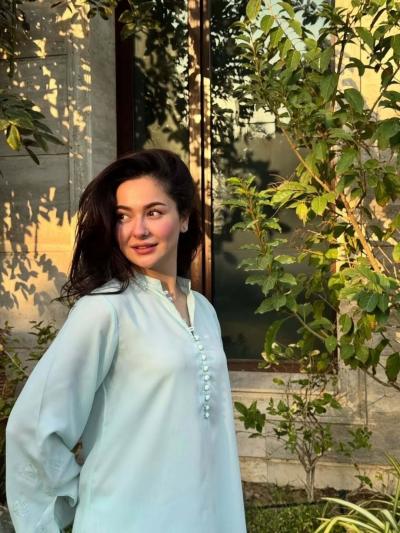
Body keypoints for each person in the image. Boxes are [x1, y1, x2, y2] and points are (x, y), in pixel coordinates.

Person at [6, 149, 247, 533]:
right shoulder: (104, 310)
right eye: (123, 216)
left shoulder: (204, 311)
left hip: (208, 515)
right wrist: (82, 494)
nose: (138, 230)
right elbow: (33, 428)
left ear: (184, 217)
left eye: (154, 212)